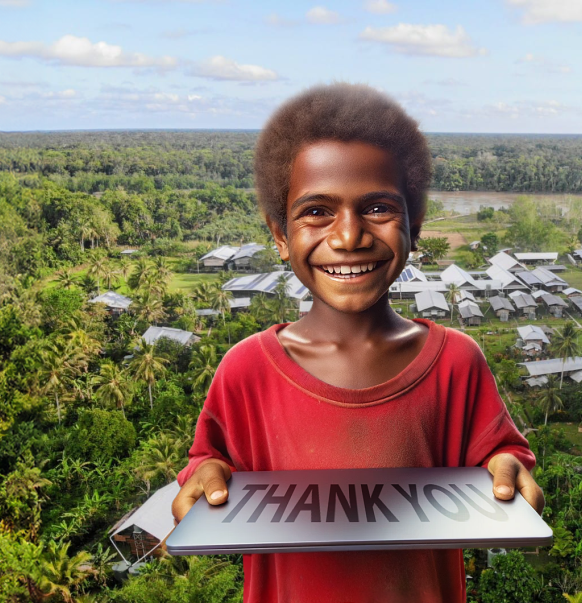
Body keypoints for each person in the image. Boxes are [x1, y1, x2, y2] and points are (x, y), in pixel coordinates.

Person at [171, 82, 543, 603]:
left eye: (377, 209)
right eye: (317, 211)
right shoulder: (247, 370)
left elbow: (500, 453)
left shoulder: (456, 362)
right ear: (280, 234)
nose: (348, 237)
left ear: (414, 227)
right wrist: (205, 475)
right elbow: (210, 461)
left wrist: (507, 469)